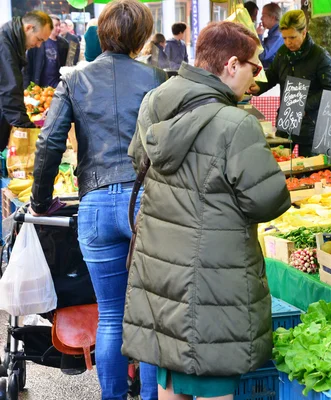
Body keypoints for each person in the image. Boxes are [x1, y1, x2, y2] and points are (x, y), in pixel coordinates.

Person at [121, 21, 291, 400]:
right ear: (232, 65)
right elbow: (268, 200)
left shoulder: (154, 101)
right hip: (215, 274)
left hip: (160, 266)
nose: (255, 78)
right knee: (212, 375)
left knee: (172, 373)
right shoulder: (236, 124)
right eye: (255, 67)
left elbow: (139, 161)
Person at [30, 0, 167, 399]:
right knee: (150, 317)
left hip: (95, 203)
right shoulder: (157, 77)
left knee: (110, 316)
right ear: (141, 36)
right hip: (147, 204)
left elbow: (49, 144)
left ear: (101, 33)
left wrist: (40, 201)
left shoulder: (74, 80)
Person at [250, 10, 331, 156]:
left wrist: (304, 106)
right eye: (284, 38)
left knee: (310, 170)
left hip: (310, 124)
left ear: (304, 32)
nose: (288, 42)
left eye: (292, 37)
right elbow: (273, 74)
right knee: (279, 164)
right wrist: (259, 86)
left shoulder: (320, 56)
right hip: (287, 120)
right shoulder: (283, 52)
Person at [0, 11, 52, 149]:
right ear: (28, 28)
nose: (38, 45)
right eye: (39, 39)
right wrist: (27, 127)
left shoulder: (12, 41)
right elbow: (9, 90)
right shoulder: (5, 45)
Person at [23, 15, 69, 88]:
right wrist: (26, 87)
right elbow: (27, 67)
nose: (59, 28)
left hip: (57, 87)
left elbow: (67, 66)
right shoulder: (37, 41)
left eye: (59, 25)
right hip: (38, 87)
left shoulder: (64, 44)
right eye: (56, 25)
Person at [256, 2, 283, 69]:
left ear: (272, 17)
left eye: (263, 15)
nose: (261, 18)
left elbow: (263, 55)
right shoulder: (273, 32)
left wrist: (259, 35)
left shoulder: (278, 34)